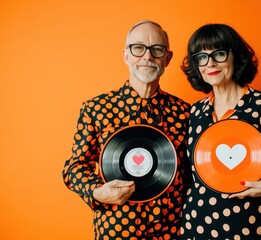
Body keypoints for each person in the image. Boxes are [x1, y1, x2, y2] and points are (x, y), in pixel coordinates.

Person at [62, 20, 190, 240]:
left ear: (167, 59)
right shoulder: (96, 108)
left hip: (171, 232)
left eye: (156, 49)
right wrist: (97, 192)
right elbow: (73, 168)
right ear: (126, 56)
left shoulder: (185, 113)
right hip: (117, 231)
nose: (147, 57)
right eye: (138, 48)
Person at [179, 23, 261, 240]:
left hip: (248, 224)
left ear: (235, 56)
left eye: (218, 54)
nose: (210, 63)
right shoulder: (195, 112)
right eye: (201, 57)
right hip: (196, 224)